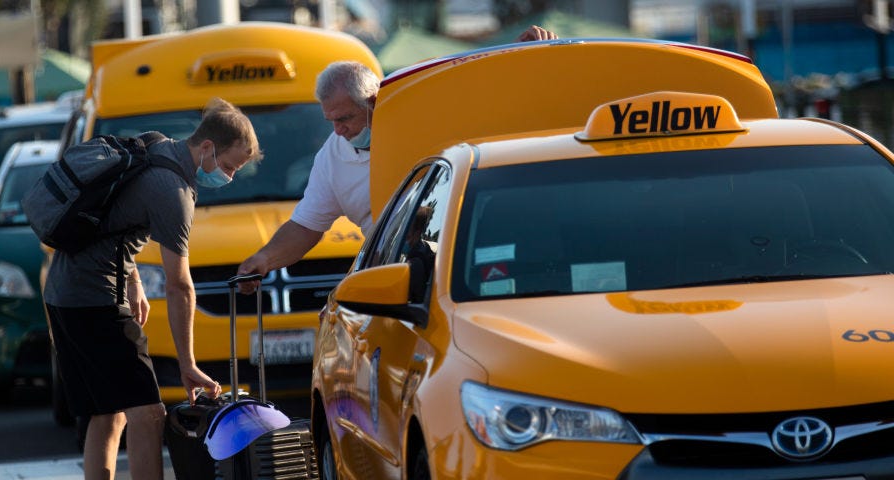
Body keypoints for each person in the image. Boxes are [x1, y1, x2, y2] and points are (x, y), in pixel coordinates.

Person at [236, 26, 555, 292]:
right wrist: (264, 259)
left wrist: (522, 60)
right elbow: (306, 226)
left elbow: (486, 102)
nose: (338, 130)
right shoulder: (332, 157)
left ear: (374, 102)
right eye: (330, 120)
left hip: (467, 264)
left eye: (345, 118)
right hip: (396, 276)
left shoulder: (426, 119)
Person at [43, 97, 262, 480]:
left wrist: (134, 279)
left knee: (108, 413)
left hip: (64, 294)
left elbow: (116, 219)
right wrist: (187, 364)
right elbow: (180, 287)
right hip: (95, 301)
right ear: (207, 147)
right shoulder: (174, 192)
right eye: (228, 166)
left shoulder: (155, 146)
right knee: (148, 414)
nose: (227, 177)